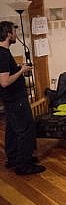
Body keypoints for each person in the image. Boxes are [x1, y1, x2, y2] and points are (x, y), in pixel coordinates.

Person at [0, 21, 45, 175]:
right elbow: (4, 82)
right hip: (15, 99)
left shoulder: (3, 53)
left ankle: (13, 159)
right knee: (25, 130)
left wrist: (18, 68)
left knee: (12, 129)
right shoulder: (3, 54)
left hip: (10, 100)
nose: (15, 34)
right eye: (13, 31)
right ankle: (23, 165)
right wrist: (21, 71)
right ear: (8, 34)